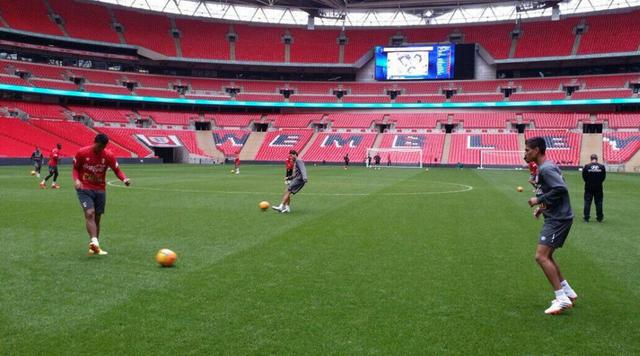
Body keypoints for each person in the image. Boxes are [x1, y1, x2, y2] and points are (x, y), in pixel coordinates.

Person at [524, 137, 578, 315]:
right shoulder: (545, 167)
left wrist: (537, 200)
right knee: (548, 256)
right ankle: (568, 292)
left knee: (541, 257)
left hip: (559, 219)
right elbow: (553, 192)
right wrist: (542, 208)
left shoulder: (546, 169)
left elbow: (561, 188)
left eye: (527, 150)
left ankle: (561, 299)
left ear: (537, 150)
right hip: (555, 216)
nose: (525, 154)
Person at [73, 134, 130, 255]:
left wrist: (124, 179)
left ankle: (94, 246)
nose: (100, 149)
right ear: (94, 142)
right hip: (84, 188)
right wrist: (76, 180)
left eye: (103, 147)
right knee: (90, 213)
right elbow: (76, 168)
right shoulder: (82, 153)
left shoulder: (108, 155)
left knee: (97, 218)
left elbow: (117, 170)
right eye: (99, 146)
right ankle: (94, 242)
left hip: (100, 189)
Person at [582, 154, 606, 223]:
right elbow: (603, 177)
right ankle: (599, 218)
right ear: (597, 159)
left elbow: (584, 177)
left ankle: (586, 218)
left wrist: (588, 182)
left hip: (588, 187)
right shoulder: (601, 167)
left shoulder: (587, 167)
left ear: (591, 158)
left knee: (587, 202)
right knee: (599, 202)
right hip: (598, 187)